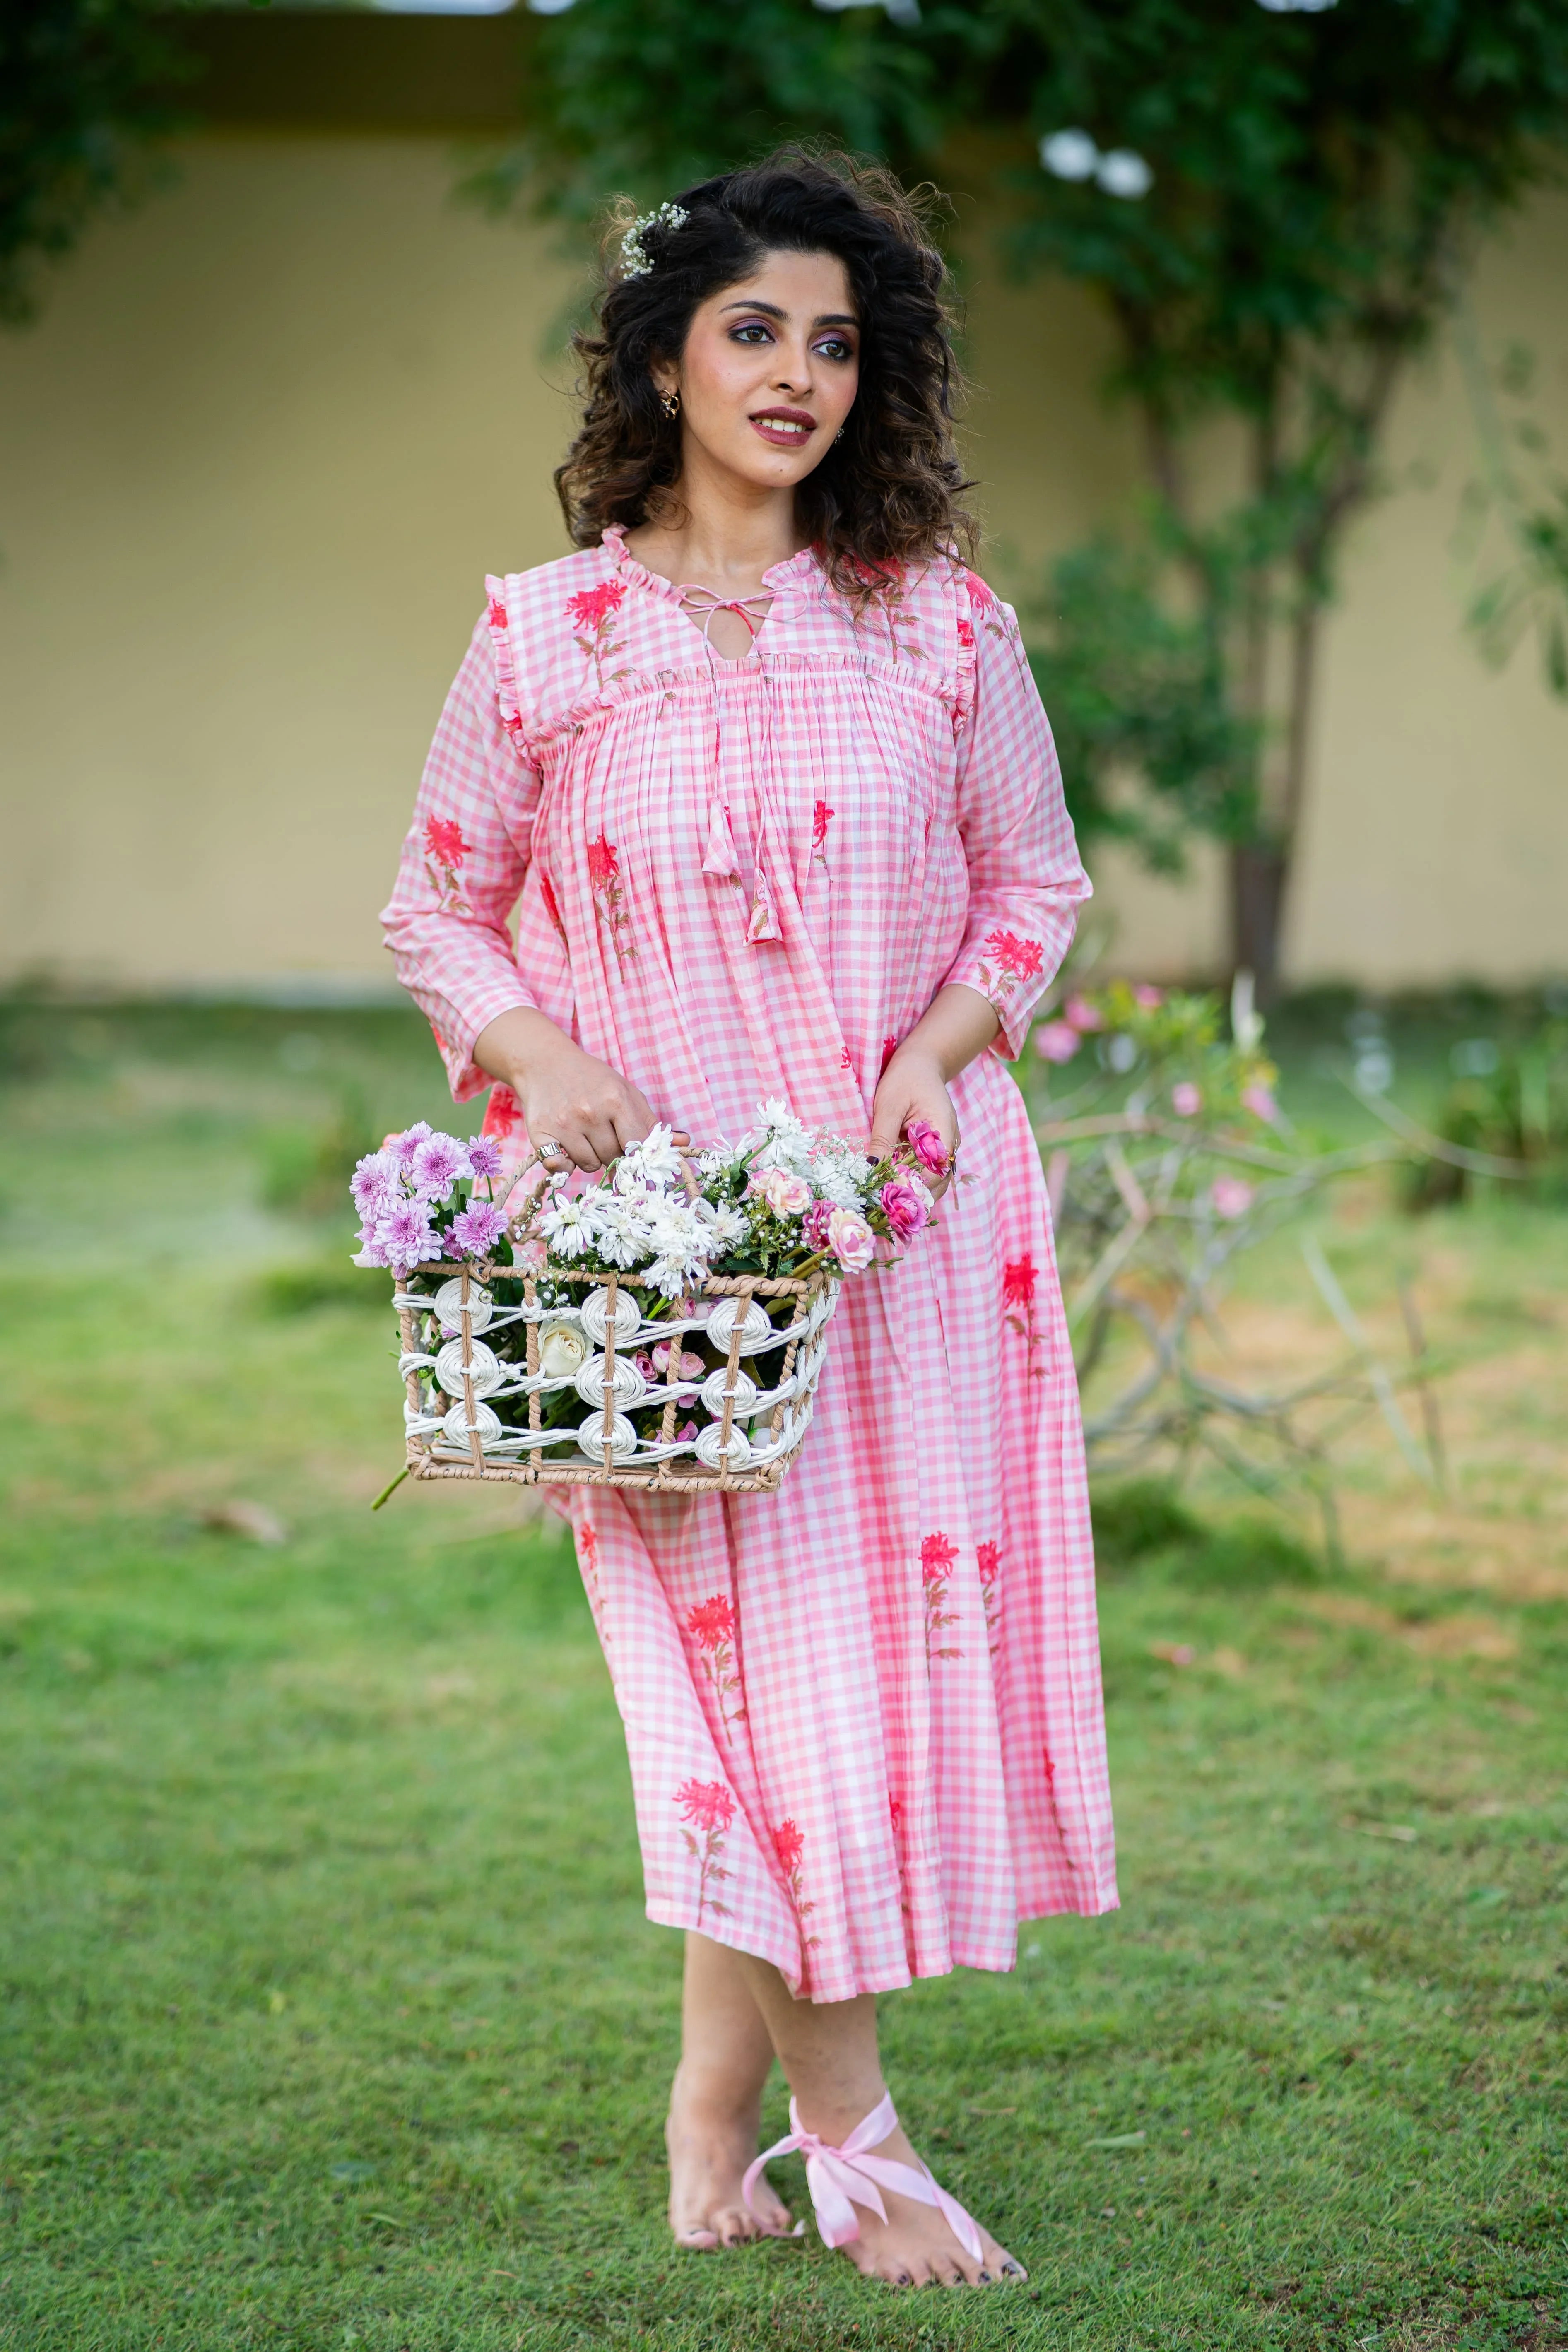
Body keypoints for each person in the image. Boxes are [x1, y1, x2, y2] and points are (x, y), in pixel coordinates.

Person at [381, 148, 1116, 2292]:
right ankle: (848, 2132)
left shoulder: (938, 624)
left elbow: (1035, 883)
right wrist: (538, 1053)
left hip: (899, 1232)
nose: (797, 373)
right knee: (743, 1671)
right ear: (665, 354)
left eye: (835, 339)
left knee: (828, 1676)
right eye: (753, 329)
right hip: (663, 1263)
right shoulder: (543, 637)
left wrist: (944, 1044)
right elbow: (435, 897)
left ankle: (719, 2093)